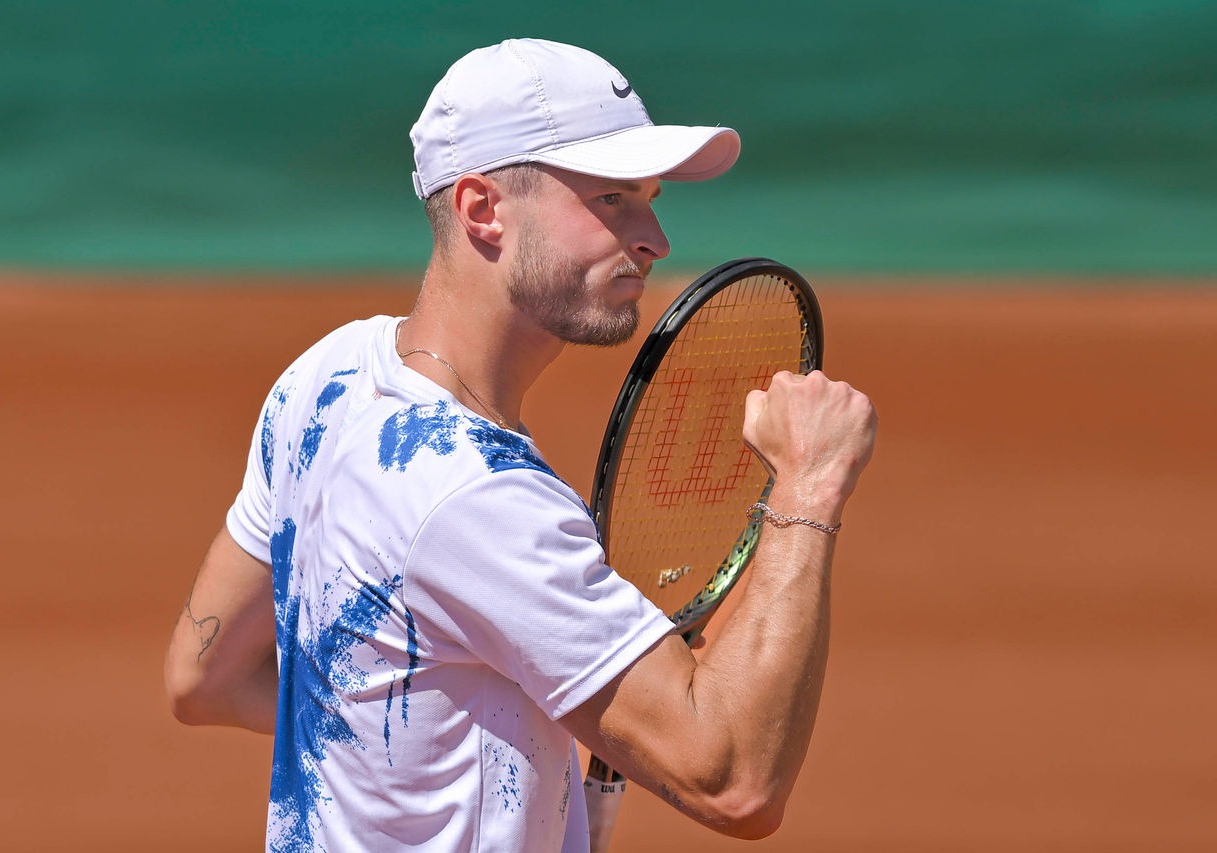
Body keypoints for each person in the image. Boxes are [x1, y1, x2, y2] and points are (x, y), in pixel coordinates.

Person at [164, 37, 876, 853]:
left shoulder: (326, 379)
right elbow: (736, 780)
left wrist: (422, 727)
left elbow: (201, 676)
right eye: (611, 200)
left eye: (647, 198)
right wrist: (807, 487)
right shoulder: (483, 500)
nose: (654, 238)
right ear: (481, 209)